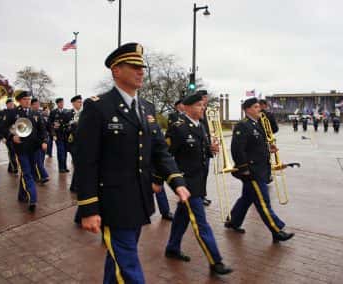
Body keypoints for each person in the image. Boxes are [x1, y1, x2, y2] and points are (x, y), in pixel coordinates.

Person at [75, 42, 190, 284]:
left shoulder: (146, 107)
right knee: (128, 265)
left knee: (118, 258)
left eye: (142, 67)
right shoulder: (97, 107)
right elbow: (86, 162)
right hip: (112, 203)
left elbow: (159, 149)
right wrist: (88, 208)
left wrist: (176, 180)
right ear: (116, 70)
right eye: (134, 66)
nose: (141, 71)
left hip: (139, 199)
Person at [163, 93, 233, 275]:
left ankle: (172, 247)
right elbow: (164, 155)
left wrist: (211, 150)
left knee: (182, 216)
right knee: (201, 223)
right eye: (198, 106)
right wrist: (159, 179)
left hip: (199, 180)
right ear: (186, 108)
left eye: (203, 105)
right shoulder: (178, 128)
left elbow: (201, 152)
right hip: (186, 182)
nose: (202, 108)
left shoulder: (200, 126)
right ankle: (215, 261)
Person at [225, 97, 294, 243]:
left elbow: (255, 146)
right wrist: (244, 169)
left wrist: (269, 148)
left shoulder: (257, 124)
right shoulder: (242, 126)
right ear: (248, 109)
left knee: (247, 198)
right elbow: (237, 149)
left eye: (259, 107)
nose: (259, 109)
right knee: (263, 202)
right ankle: (276, 230)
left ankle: (233, 221)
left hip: (261, 169)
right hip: (252, 171)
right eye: (256, 107)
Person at [0, 91, 48, 212]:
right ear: (20, 100)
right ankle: (32, 198)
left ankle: (22, 195)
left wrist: (44, 141)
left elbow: (42, 130)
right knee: (27, 172)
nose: (27, 101)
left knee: (29, 171)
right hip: (21, 148)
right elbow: (3, 128)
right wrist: (11, 137)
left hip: (34, 148)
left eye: (29, 99)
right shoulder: (13, 113)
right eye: (25, 99)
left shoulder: (35, 113)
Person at [196, 90, 212, 206]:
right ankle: (199, 196)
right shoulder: (199, 112)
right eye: (205, 97)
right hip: (199, 148)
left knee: (204, 173)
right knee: (200, 174)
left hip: (207, 148)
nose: (207, 99)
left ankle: (202, 195)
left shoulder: (206, 111)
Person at [66, 95, 82, 193]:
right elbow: (65, 128)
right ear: (73, 103)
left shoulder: (83, 113)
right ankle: (75, 186)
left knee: (78, 164)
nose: (80, 103)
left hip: (81, 143)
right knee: (78, 163)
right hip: (72, 143)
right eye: (79, 102)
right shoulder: (68, 114)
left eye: (81, 101)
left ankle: (74, 186)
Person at [30, 98, 49, 184]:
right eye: (36, 104)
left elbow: (43, 128)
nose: (38, 106)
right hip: (34, 141)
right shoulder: (29, 114)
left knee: (39, 160)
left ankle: (37, 176)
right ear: (32, 105)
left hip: (41, 140)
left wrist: (45, 140)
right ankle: (42, 176)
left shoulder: (39, 114)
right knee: (37, 160)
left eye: (38, 104)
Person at [48, 98, 69, 172]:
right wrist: (53, 134)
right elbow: (50, 124)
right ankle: (61, 168)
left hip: (66, 135)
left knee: (65, 152)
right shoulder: (53, 112)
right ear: (57, 104)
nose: (61, 104)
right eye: (60, 103)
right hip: (58, 135)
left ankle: (65, 166)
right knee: (60, 151)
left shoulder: (67, 111)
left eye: (62, 102)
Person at [2, 98, 18, 174]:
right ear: (7, 105)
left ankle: (10, 167)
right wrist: (4, 136)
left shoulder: (16, 111)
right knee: (11, 151)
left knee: (14, 151)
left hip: (16, 134)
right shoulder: (4, 113)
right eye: (10, 104)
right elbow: (3, 125)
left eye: (12, 103)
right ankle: (14, 167)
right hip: (8, 135)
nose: (12, 105)